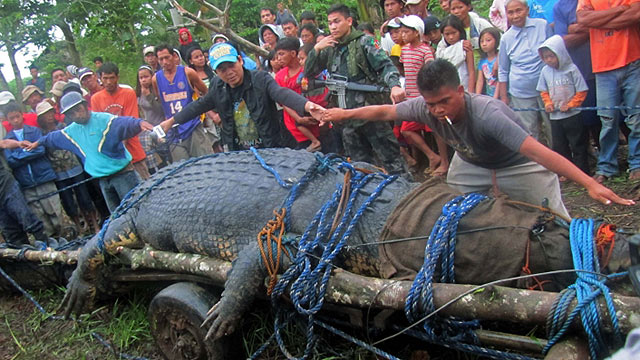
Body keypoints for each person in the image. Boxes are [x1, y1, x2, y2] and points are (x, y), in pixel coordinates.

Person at [320, 59, 635, 217]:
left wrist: (589, 183)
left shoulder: (487, 114)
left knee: (554, 220)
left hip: (517, 164)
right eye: (431, 104)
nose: (439, 109)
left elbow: (539, 152)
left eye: (445, 101)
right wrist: (341, 114)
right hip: (470, 163)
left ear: (461, 91)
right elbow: (384, 113)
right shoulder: (424, 108)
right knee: (453, 211)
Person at [158, 42, 324, 151]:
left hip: (270, 147)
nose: (229, 73)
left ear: (240, 60)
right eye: (222, 70)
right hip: (239, 152)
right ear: (216, 72)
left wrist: (307, 106)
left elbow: (281, 93)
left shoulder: (260, 79)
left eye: (231, 65)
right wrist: (171, 122)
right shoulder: (218, 86)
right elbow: (198, 106)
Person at [305, 4, 407, 175]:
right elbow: (309, 72)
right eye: (330, 23)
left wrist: (395, 86)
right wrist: (316, 49)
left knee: (393, 161)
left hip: (371, 113)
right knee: (360, 167)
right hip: (346, 118)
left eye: (337, 21)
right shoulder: (330, 47)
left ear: (349, 21)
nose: (333, 27)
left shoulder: (364, 42)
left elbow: (385, 66)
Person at [24, 92, 154, 213]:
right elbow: (52, 138)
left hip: (123, 175)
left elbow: (125, 123)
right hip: (103, 181)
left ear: (85, 106)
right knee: (118, 216)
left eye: (78, 110)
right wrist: (38, 142)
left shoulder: (105, 120)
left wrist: (140, 123)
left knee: (138, 209)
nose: (77, 115)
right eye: (71, 114)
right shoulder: (71, 132)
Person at [577, 0, 640, 182]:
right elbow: (583, 18)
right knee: (607, 118)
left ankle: (637, 164)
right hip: (603, 66)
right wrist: (620, 10)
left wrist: (598, 20)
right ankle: (607, 166)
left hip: (633, 60)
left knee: (636, 117)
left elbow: (635, 14)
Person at [35, 101, 100, 233]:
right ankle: (80, 227)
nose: (48, 116)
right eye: (44, 114)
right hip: (58, 172)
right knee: (68, 201)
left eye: (50, 112)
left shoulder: (65, 127)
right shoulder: (41, 134)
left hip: (75, 167)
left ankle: (93, 223)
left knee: (84, 196)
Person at [398, 15, 449, 175]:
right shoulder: (404, 50)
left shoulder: (425, 50)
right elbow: (403, 70)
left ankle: (445, 162)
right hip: (410, 97)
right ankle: (432, 156)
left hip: (425, 97)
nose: (403, 35)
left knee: (435, 131)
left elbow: (430, 72)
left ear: (416, 33)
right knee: (406, 130)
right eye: (402, 32)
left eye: (406, 32)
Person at [3, 102, 63, 237]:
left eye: (17, 116)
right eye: (12, 118)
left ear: (22, 115)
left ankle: (63, 236)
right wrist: (29, 150)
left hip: (43, 177)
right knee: (40, 215)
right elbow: (10, 161)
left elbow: (40, 149)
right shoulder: (7, 139)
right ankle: (51, 243)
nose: (15, 120)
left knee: (55, 211)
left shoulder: (34, 131)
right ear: (8, 119)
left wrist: (20, 154)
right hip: (26, 183)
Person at [498, 0, 552, 145]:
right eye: (511, 12)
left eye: (518, 10)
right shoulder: (506, 38)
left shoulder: (542, 25)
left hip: (546, 88)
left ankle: (559, 161)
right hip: (520, 92)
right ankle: (535, 165)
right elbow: (503, 70)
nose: (515, 15)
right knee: (529, 130)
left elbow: (555, 53)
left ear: (527, 10)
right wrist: (504, 98)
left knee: (552, 127)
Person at [536, 35, 590, 176]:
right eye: (545, 57)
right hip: (555, 117)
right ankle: (566, 173)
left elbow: (582, 90)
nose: (549, 60)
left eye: (552, 56)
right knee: (560, 146)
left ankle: (582, 172)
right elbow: (543, 90)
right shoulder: (545, 72)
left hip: (573, 115)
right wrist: (548, 103)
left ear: (560, 54)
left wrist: (572, 104)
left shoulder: (572, 69)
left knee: (578, 143)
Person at [553, 0, 600, 163]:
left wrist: (575, 28)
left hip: (608, 62)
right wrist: (594, 28)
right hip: (581, 69)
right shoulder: (561, 6)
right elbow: (562, 41)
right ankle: (595, 159)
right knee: (588, 118)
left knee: (619, 115)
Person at [152, 44, 213, 161]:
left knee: (205, 162)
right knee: (183, 168)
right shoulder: (156, 79)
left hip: (192, 125)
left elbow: (206, 93)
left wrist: (207, 115)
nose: (164, 62)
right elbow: (160, 101)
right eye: (161, 59)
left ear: (174, 56)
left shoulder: (188, 73)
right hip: (173, 130)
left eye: (167, 57)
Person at [91, 62, 150, 180]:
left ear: (117, 77)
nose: (108, 82)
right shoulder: (96, 99)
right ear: (100, 79)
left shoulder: (128, 93)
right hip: (112, 158)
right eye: (105, 78)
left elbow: (130, 123)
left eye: (112, 78)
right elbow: (99, 127)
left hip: (133, 152)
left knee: (146, 185)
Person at [0, 137, 51, 246]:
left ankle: (47, 247)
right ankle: (22, 258)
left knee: (28, 219)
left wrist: (19, 143)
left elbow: (4, 143)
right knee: (10, 231)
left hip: (7, 186)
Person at [275, 38, 322, 152]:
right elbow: (283, 102)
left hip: (315, 119)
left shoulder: (307, 71)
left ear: (292, 53)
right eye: (277, 55)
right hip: (293, 124)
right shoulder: (280, 76)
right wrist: (299, 118)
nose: (278, 58)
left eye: (282, 54)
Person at [136, 66, 169, 173]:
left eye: (146, 77)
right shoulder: (137, 93)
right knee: (151, 156)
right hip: (147, 129)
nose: (143, 80)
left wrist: (149, 96)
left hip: (160, 126)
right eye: (141, 78)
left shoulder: (157, 90)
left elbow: (160, 109)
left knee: (164, 155)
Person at [436, 15, 476, 92]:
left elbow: (471, 72)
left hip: (464, 87)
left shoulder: (465, 47)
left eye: (454, 33)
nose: (451, 37)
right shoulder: (440, 49)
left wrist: (471, 93)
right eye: (447, 34)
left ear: (460, 31)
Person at [475, 27, 501, 97]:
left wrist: (495, 98)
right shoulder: (482, 61)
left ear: (496, 41)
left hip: (500, 96)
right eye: (481, 41)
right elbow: (480, 81)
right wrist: (477, 96)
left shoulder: (499, 59)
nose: (484, 44)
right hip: (489, 96)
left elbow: (500, 80)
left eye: (488, 40)